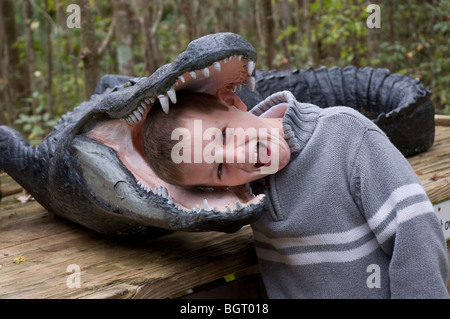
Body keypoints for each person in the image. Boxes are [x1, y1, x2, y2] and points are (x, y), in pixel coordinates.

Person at [142, 88, 449, 298]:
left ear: (233, 102)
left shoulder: (347, 137)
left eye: (225, 134)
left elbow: (416, 234)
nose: (238, 156)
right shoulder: (246, 193)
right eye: (220, 168)